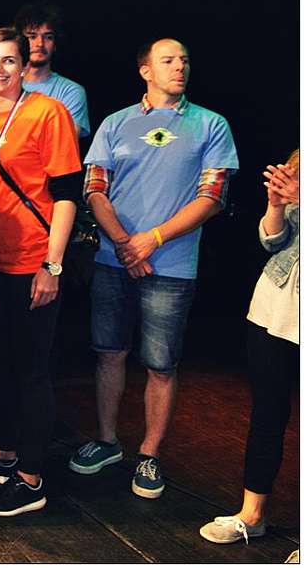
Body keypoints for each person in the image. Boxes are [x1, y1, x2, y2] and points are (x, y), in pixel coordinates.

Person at [70, 38, 239, 499]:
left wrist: (153, 239)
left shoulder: (210, 124)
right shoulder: (115, 123)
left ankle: (149, 453)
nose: (179, 66)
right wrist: (127, 244)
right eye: (168, 60)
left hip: (173, 265)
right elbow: (94, 190)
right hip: (114, 259)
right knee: (109, 352)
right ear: (145, 70)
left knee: (161, 363)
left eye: (184, 59)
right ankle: (107, 441)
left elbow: (212, 197)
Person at [0, 26, 82, 517]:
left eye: (8, 60)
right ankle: (4, 453)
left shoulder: (48, 112)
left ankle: (31, 479)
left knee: (31, 370)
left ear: (24, 66)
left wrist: (52, 265)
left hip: (34, 260)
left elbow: (68, 195)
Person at [200, 150, 299, 545]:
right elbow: (273, 240)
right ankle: (252, 515)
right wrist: (276, 205)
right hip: (275, 308)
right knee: (267, 416)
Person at [0, 2, 90, 140]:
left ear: (55, 44)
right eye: (32, 36)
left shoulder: (70, 91)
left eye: (48, 37)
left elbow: (64, 141)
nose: (40, 43)